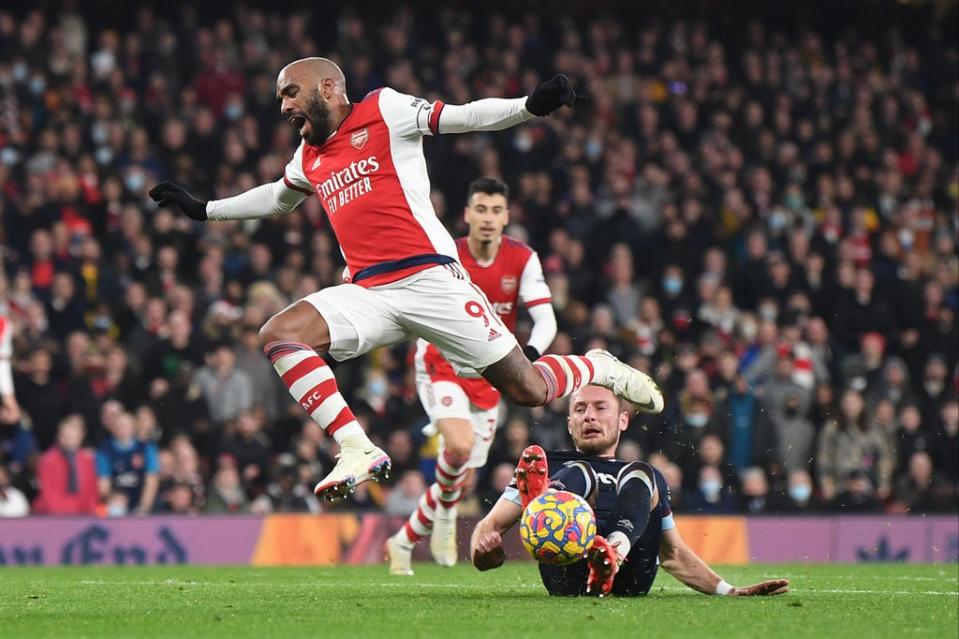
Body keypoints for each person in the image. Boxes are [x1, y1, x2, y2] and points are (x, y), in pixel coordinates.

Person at [150, 57, 663, 501]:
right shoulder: (308, 157)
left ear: (328, 88)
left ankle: (596, 365)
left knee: (528, 390)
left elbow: (463, 118)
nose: (283, 106)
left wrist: (527, 106)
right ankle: (356, 447)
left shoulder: (385, 110)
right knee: (278, 334)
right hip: (370, 291)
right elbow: (277, 196)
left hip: (431, 280)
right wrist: (204, 211)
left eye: (290, 92)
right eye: (279, 97)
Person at [386, 176, 558, 574]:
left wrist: (525, 361)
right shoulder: (447, 253)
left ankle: (403, 540)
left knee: (458, 469)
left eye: (496, 210)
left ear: (506, 217)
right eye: (480, 209)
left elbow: (545, 319)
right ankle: (445, 518)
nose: (487, 218)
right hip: (441, 359)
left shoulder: (523, 259)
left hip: (491, 373)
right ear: (466, 215)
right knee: (459, 448)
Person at [470, 385, 789, 598]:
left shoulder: (646, 478)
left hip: (630, 576)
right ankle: (553, 509)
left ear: (623, 420)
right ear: (569, 424)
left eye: (599, 408)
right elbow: (487, 532)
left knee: (643, 473)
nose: (589, 416)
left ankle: (610, 550)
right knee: (580, 471)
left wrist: (731, 591)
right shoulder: (544, 463)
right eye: (579, 409)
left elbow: (673, 555)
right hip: (568, 572)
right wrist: (487, 554)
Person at [33, 415, 100, 515]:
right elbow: (49, 494)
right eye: (66, 435)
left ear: (81, 437)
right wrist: (64, 519)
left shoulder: (88, 460)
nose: (70, 439)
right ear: (59, 436)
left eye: (73, 436)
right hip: (52, 514)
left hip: (81, 513)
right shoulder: (48, 460)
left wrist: (90, 514)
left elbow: (91, 492)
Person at [95, 411, 160, 515]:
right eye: (119, 425)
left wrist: (144, 507)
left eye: (126, 425)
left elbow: (152, 479)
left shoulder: (146, 447)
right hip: (116, 506)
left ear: (133, 427)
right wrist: (112, 501)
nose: (123, 428)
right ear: (113, 428)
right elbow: (104, 482)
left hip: (140, 505)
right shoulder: (105, 450)